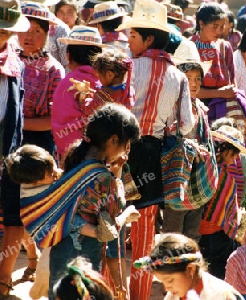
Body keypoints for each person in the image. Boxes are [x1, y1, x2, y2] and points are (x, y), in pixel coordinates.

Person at [115, 1, 195, 298]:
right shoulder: (179, 76)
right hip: (151, 154)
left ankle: (110, 289)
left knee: (111, 219)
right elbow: (185, 125)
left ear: (148, 39)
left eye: (133, 34)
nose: (128, 40)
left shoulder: (128, 67)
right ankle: (139, 294)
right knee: (145, 229)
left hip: (119, 150)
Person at [48, 103, 141, 300]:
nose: (126, 151)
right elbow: (109, 229)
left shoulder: (76, 164)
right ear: (113, 140)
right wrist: (128, 215)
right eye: (126, 145)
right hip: (84, 260)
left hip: (60, 255)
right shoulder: (103, 179)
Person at [3, 144, 114, 299]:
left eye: (53, 167)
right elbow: (46, 217)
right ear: (35, 182)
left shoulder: (43, 175)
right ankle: (97, 231)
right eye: (50, 174)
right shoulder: (33, 193)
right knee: (73, 222)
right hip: (55, 227)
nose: (56, 173)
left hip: (64, 229)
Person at [162, 43, 214, 241]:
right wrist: (189, 146)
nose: (194, 83)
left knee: (192, 233)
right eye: (188, 78)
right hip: (177, 175)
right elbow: (168, 135)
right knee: (173, 232)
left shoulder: (199, 107)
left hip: (196, 176)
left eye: (198, 79)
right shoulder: (171, 105)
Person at [0, 1, 30, 296]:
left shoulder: (15, 63)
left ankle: (4, 279)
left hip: (8, 151)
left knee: (13, 215)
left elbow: (16, 112)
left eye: (6, 30)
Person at [199, 125, 246, 279]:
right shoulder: (224, 178)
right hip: (216, 234)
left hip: (199, 230)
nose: (235, 160)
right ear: (227, 150)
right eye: (235, 155)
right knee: (218, 272)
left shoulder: (203, 167)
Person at [134, 233, 244, 299]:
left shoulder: (222, 296)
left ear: (190, 269)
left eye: (170, 280)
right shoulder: (174, 296)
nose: (166, 287)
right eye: (163, 281)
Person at [18, 2, 65, 154]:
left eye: (36, 31)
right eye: (25, 29)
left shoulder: (53, 70)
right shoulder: (8, 62)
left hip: (37, 143)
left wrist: (17, 122)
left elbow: (53, 119)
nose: (29, 36)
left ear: (46, 34)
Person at [51, 25, 104, 158]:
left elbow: (60, 124)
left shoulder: (65, 84)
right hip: (100, 155)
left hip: (70, 156)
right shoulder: (104, 84)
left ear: (68, 55)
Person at [191, 3, 243, 122]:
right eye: (215, 26)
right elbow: (189, 90)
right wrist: (220, 93)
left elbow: (232, 83)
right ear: (201, 23)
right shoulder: (190, 47)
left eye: (222, 26)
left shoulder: (224, 47)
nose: (219, 31)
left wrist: (228, 92)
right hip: (197, 111)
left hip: (223, 111)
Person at [80, 48, 135, 116]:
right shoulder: (129, 91)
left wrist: (84, 100)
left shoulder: (103, 94)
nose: (98, 78)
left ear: (109, 75)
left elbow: (88, 110)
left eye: (99, 76)